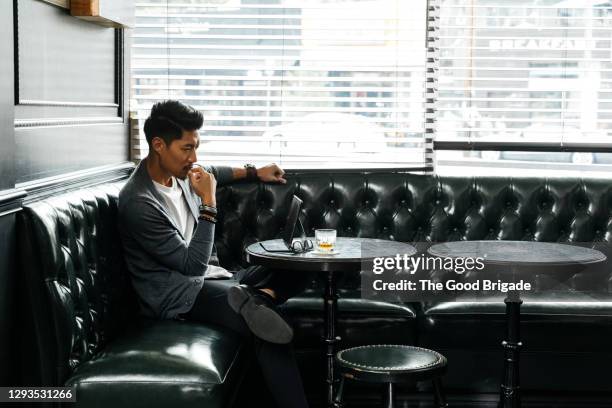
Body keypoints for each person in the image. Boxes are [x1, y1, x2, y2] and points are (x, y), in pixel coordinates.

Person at [118, 100, 310, 408]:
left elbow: (213, 171)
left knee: (300, 265)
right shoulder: (139, 202)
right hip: (178, 295)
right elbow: (192, 266)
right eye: (187, 148)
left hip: (218, 280)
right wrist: (209, 204)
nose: (194, 158)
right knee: (267, 332)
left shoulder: (179, 172)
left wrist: (254, 171)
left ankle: (256, 297)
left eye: (196, 147)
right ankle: (253, 301)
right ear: (158, 145)